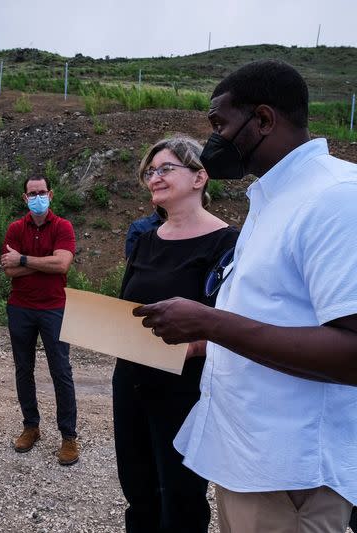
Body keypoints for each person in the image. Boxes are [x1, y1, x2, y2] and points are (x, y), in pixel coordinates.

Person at [134, 60, 357, 532]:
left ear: (263, 120)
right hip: (251, 462)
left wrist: (209, 323)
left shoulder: (335, 198)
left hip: (292, 474)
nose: (212, 140)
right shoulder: (273, 199)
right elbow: (270, 314)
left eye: (219, 123)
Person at [116, 136, 239, 532]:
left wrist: (195, 345)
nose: (155, 177)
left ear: (200, 176)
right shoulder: (145, 240)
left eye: (166, 168)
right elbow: (128, 307)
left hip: (186, 388)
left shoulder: (228, 242)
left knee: (181, 495)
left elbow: (237, 323)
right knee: (137, 491)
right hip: (131, 379)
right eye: (150, 171)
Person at [0, 175, 79, 465]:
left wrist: (24, 259)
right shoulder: (16, 228)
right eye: (32, 193)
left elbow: (62, 264)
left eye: (42, 192)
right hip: (20, 308)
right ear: (25, 198)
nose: (37, 197)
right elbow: (8, 270)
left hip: (54, 308)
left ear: (51, 194)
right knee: (23, 369)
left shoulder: (63, 226)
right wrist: (43, 262)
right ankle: (31, 426)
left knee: (61, 371)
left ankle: (68, 436)